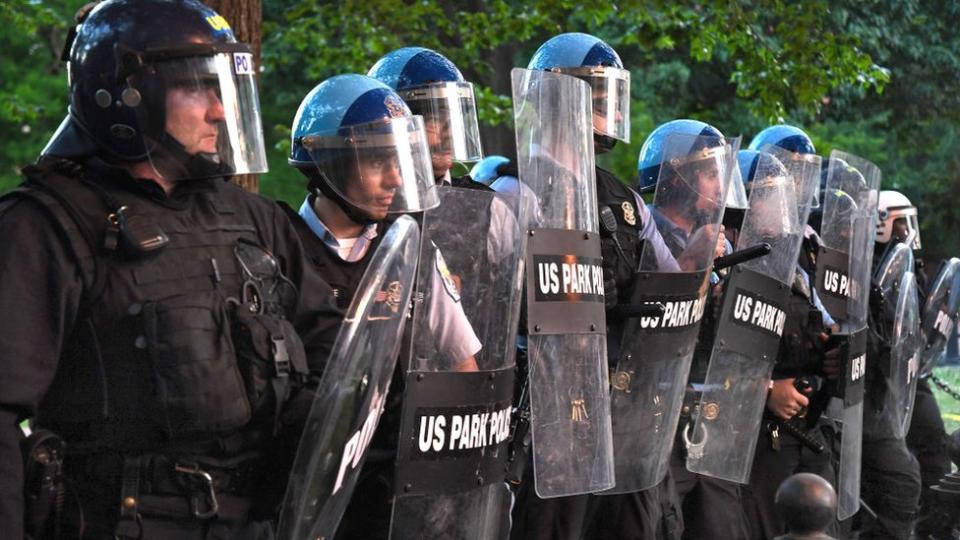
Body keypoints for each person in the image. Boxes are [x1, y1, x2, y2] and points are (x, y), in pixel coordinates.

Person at [0, 1, 343, 538]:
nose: (221, 112)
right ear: (125, 94)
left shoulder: (250, 218)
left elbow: (336, 357)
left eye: (222, 89)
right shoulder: (43, 227)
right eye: (198, 88)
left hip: (263, 520)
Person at [282, 73, 483, 538]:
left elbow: (464, 369)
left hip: (396, 485)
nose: (395, 178)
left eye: (399, 160)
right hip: (303, 486)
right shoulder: (278, 251)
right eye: (377, 161)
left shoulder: (412, 250)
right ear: (329, 162)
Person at [505, 32, 683, 540]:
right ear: (555, 96)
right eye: (595, 94)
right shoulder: (513, 188)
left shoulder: (624, 199)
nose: (607, 108)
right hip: (544, 411)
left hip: (619, 406)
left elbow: (671, 286)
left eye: (610, 95)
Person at [368, 47, 486, 189]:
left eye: (454, 119)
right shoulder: (367, 206)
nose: (450, 133)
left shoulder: (486, 205)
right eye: (435, 118)